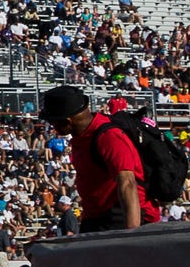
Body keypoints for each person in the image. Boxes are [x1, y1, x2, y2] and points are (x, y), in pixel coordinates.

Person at [41, 85, 154, 234]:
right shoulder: (82, 136)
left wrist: (132, 235)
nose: (53, 127)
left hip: (121, 216)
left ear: (67, 121)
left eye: (53, 122)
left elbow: (127, 182)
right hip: (97, 216)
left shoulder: (108, 137)